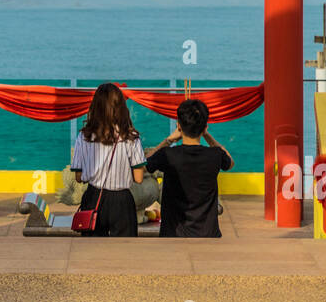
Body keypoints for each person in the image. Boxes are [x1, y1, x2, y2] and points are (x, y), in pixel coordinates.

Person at [145, 99, 233, 238]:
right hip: (208, 234)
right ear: (205, 127)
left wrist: (169, 140)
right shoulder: (215, 155)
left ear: (179, 126)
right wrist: (207, 135)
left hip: (173, 234)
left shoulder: (168, 155)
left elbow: (146, 162)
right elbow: (230, 161)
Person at [71, 83, 146, 237]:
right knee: (125, 250)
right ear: (121, 108)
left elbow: (78, 177)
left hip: (94, 198)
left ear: (95, 107)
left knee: (91, 250)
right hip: (122, 201)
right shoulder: (131, 137)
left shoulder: (84, 136)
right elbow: (138, 178)